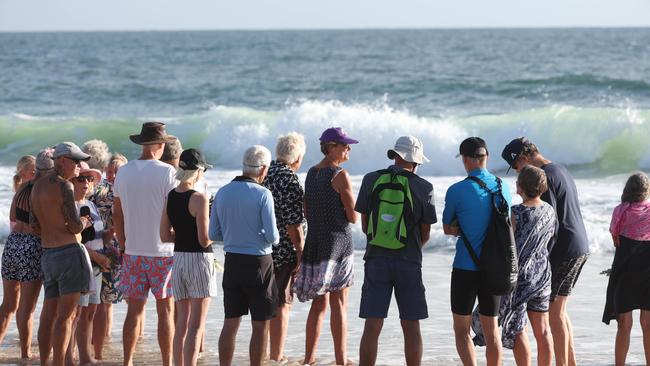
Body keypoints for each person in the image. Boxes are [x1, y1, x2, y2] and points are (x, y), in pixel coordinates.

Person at [502, 137, 589, 366]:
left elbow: (547, 223)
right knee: (559, 309)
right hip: (580, 244)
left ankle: (562, 364)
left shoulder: (545, 178)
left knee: (555, 313)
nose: (519, 174)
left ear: (523, 158)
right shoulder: (559, 169)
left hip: (565, 248)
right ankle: (569, 362)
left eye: (518, 168)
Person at [355, 136, 437, 366]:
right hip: (409, 260)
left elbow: (365, 226)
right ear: (415, 161)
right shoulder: (424, 187)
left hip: (375, 259)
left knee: (372, 324)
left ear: (395, 155)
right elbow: (426, 233)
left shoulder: (371, 179)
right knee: (411, 325)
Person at [472, 165, 556, 366]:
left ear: (521, 188)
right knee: (543, 329)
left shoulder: (516, 213)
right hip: (543, 275)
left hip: (520, 277)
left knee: (518, 329)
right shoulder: (549, 210)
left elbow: (505, 242)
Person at [442, 137, 512, 366]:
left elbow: (448, 228)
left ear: (465, 159)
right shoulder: (504, 188)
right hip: (495, 268)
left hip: (465, 266)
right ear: (486, 157)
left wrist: (464, 227)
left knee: (461, 330)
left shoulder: (457, 190)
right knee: (492, 332)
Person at [113, 122, 177, 366]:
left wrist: (123, 242)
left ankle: (128, 361)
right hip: (162, 251)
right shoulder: (168, 173)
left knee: (134, 312)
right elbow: (174, 212)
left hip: (133, 251)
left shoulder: (124, 172)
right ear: (160, 146)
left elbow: (117, 214)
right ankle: (166, 362)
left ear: (142, 144)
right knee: (165, 311)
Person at [209, 145, 279, 366]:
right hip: (259, 263)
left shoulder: (222, 191)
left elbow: (214, 233)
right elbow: (272, 237)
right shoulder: (263, 194)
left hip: (232, 261)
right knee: (260, 324)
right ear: (263, 169)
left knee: (230, 322)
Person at [294, 127, 358, 366]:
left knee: (318, 305)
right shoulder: (339, 174)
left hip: (316, 241)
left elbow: (306, 210)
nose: (348, 149)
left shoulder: (311, 173)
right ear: (332, 147)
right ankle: (341, 361)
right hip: (339, 242)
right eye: (345, 145)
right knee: (339, 304)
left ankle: (308, 359)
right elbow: (352, 217)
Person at [31, 142, 93, 366]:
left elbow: (34, 224)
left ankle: (44, 362)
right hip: (68, 254)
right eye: (76, 162)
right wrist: (85, 222)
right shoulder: (64, 187)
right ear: (63, 161)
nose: (79, 167)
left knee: (48, 315)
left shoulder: (37, 186)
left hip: (48, 255)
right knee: (66, 317)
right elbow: (75, 226)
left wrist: (53, 228)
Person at [160, 148, 216, 366]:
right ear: (199, 171)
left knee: (182, 322)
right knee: (196, 325)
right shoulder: (199, 199)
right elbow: (204, 240)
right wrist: (219, 234)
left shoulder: (170, 196)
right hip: (199, 260)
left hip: (179, 259)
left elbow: (164, 235)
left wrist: (183, 235)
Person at [0, 149, 52, 359]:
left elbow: (13, 216)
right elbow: (42, 224)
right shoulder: (42, 189)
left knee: (9, 304)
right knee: (27, 308)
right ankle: (25, 353)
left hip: (12, 245)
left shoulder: (21, 188)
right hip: (31, 246)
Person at [262, 132, 307, 365]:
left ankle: (262, 353)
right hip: (283, 251)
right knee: (282, 303)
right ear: (297, 157)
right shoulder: (290, 179)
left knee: (265, 303)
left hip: (260, 249)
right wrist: (301, 254)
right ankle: (276, 356)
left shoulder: (263, 172)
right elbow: (293, 223)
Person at [603, 172, 650, 366]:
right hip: (648, 271)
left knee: (624, 325)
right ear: (646, 191)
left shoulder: (620, 210)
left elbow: (616, 240)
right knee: (648, 325)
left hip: (625, 270)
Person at [68, 161, 112, 365]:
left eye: (89, 178)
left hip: (96, 266)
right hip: (80, 265)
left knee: (90, 312)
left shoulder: (90, 204)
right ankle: (68, 357)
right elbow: (72, 241)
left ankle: (85, 357)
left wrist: (112, 235)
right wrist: (98, 257)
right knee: (75, 314)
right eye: (81, 178)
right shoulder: (70, 207)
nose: (86, 182)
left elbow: (95, 235)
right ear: (71, 181)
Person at [90, 153, 128, 358]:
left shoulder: (125, 190)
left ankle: (104, 344)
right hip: (104, 247)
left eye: (117, 171)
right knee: (104, 301)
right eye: (110, 171)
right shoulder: (101, 189)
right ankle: (99, 345)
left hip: (122, 247)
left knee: (113, 300)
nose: (113, 175)